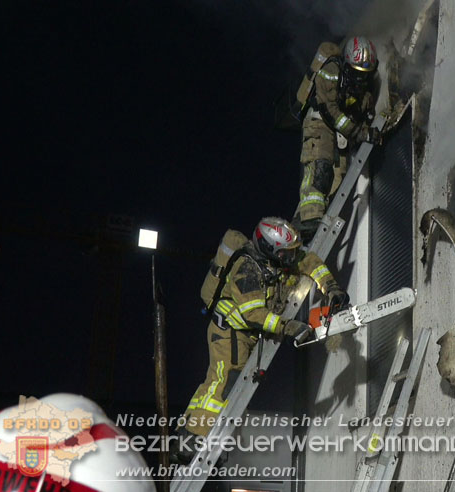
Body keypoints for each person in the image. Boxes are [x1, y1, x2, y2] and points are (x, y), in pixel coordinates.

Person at [171, 217, 348, 464]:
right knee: (221, 384)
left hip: (246, 334)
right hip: (229, 332)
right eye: (287, 254)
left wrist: (330, 287)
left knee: (224, 387)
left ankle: (204, 437)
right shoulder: (248, 269)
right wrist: (287, 327)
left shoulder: (276, 260)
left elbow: (309, 262)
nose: (292, 258)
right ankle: (192, 439)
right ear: (270, 250)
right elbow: (253, 313)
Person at [294, 36, 381, 241]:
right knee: (320, 165)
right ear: (347, 64)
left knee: (338, 178)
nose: (360, 79)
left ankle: (312, 220)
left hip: (341, 132)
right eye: (357, 73)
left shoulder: (364, 88)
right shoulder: (331, 71)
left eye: (365, 74)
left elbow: (360, 113)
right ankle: (309, 219)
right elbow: (329, 110)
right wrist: (358, 132)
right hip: (319, 121)